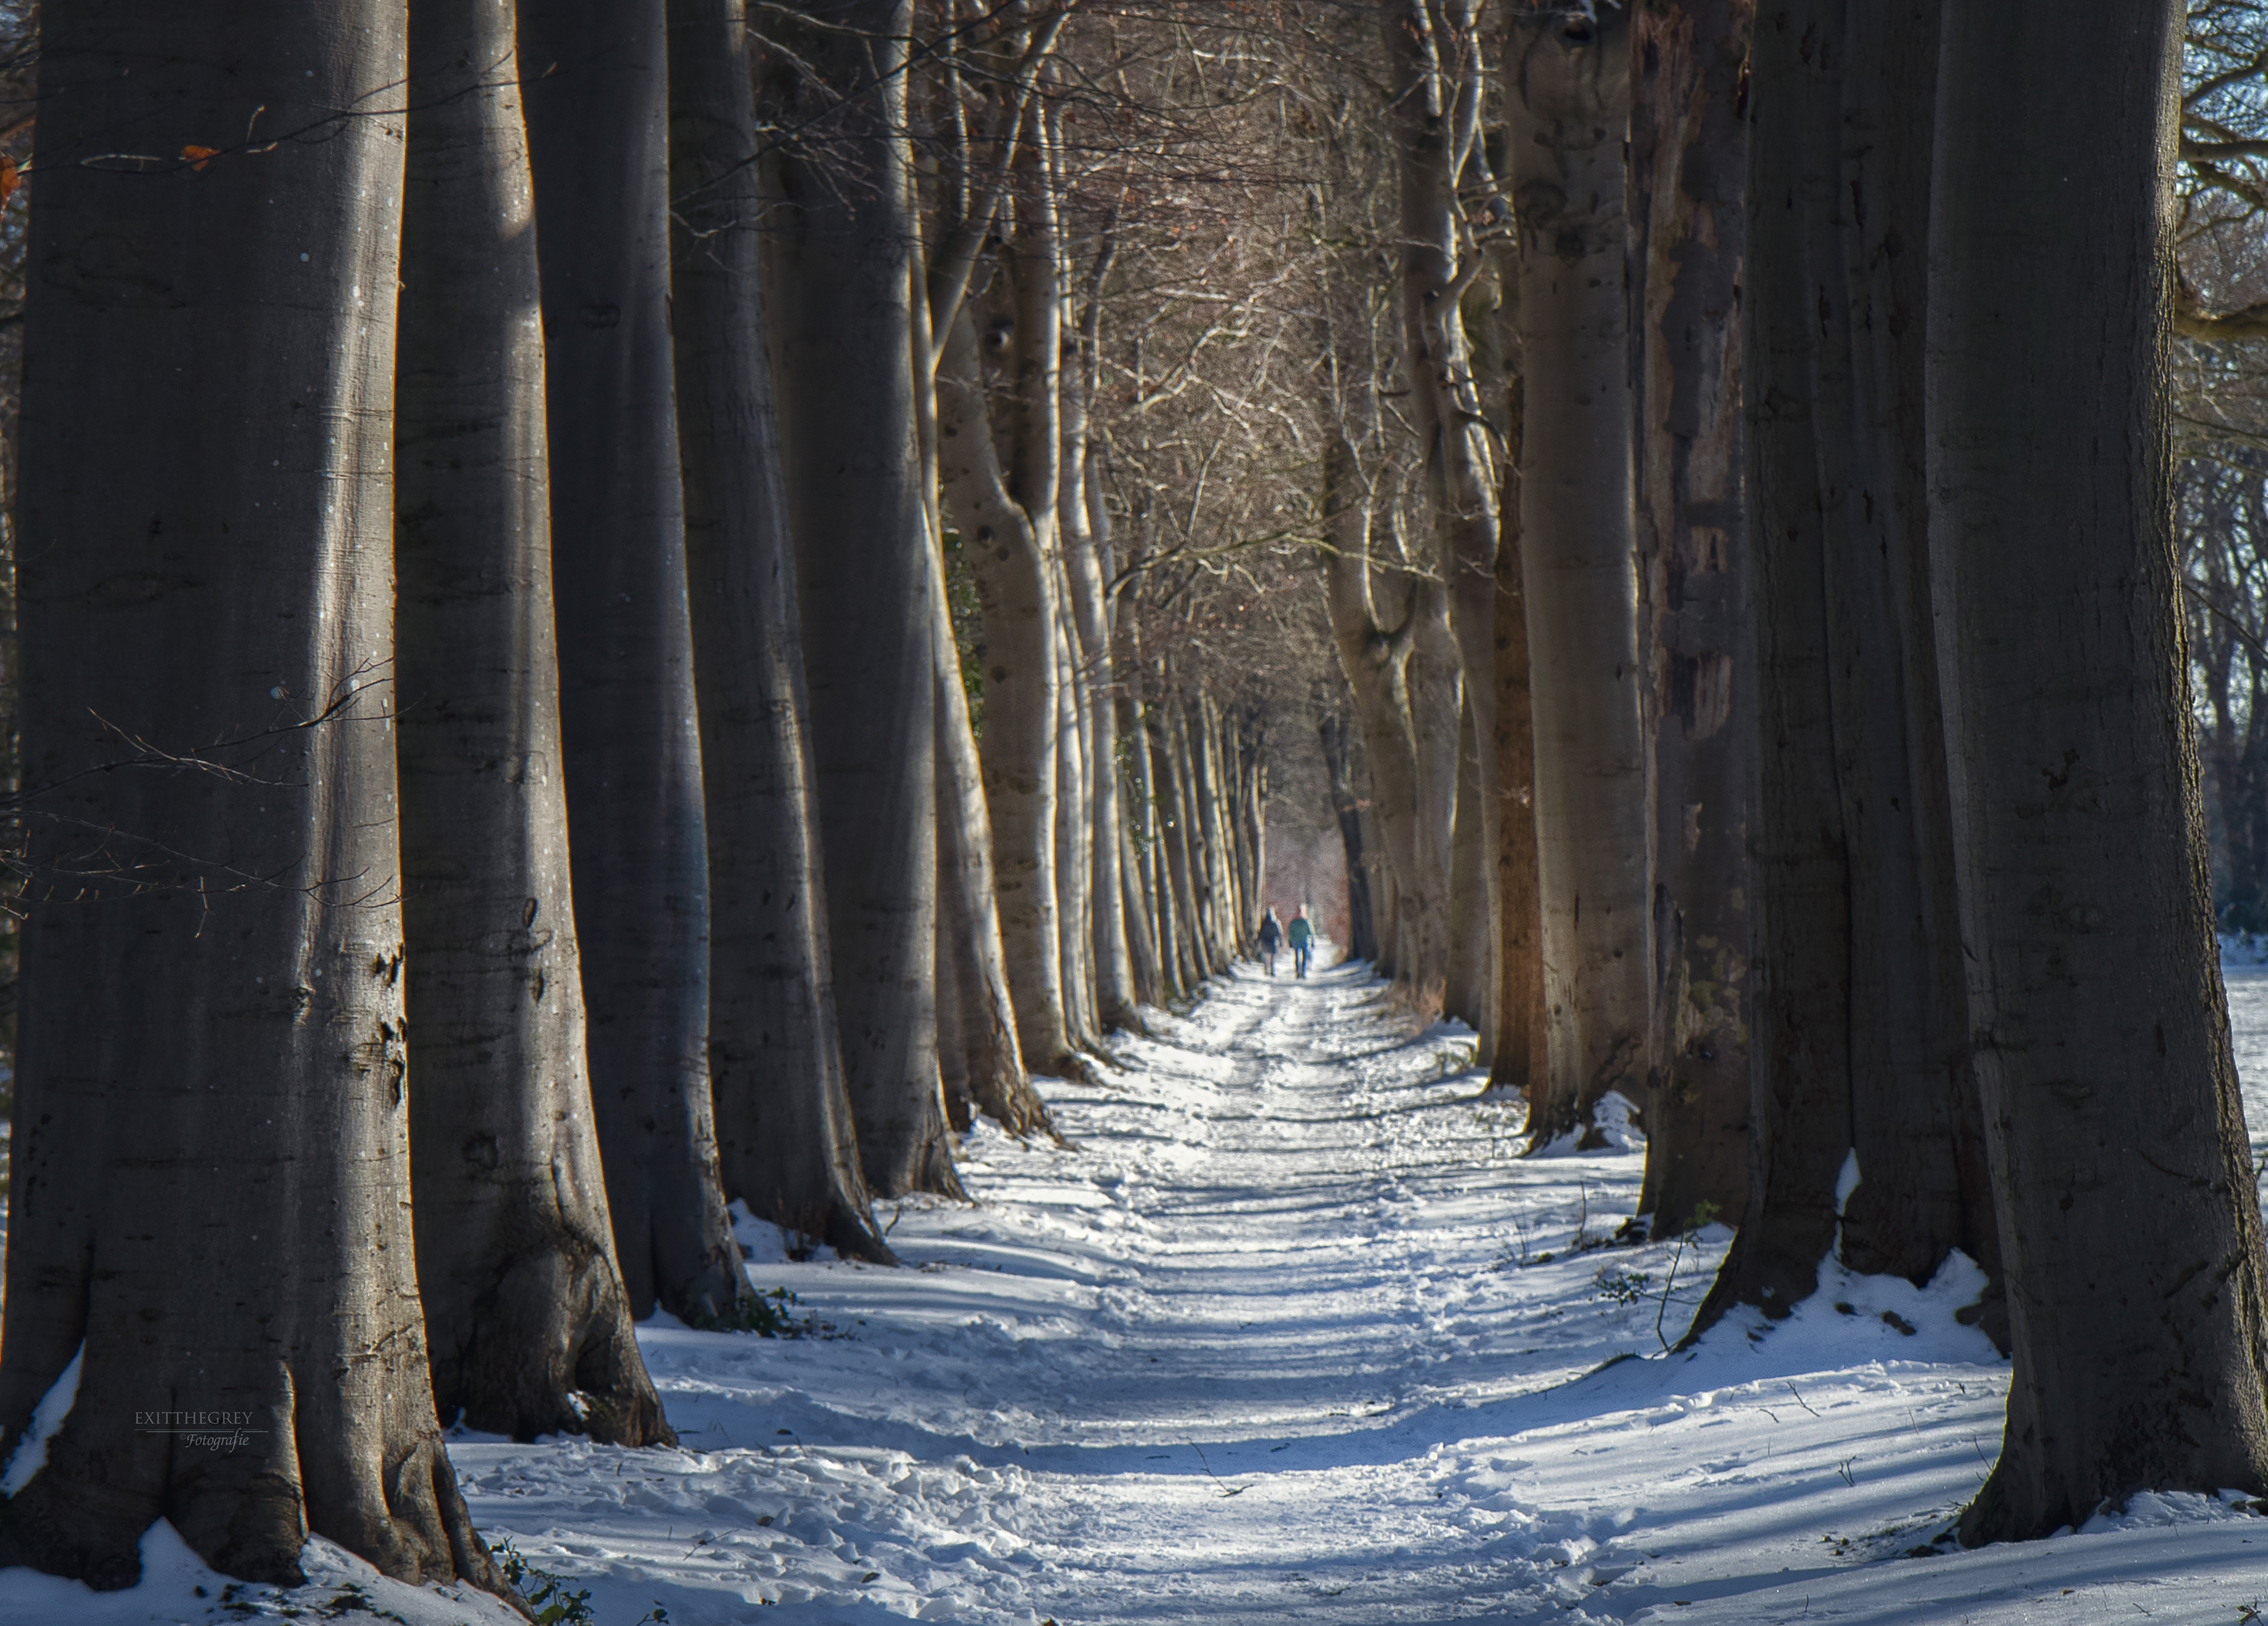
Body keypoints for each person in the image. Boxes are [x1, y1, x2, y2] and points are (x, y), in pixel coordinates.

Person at [1287, 907, 1314, 979]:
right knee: (1304, 958)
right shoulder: (1306, 921)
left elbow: (1291, 933)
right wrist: (1312, 942)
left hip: (1295, 942)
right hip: (1304, 942)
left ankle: (1298, 972)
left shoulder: (1293, 922)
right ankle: (1303, 972)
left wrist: (1290, 941)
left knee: (1297, 957)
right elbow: (1310, 933)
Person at [1257, 907, 1282, 975]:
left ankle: (1266, 970)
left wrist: (1259, 939)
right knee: (1273, 957)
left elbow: (1261, 932)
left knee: (1266, 956)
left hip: (1265, 941)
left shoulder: (1264, 923)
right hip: (1273, 941)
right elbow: (1279, 933)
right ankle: (1272, 970)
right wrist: (1281, 941)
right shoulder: (1276, 923)